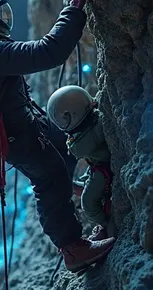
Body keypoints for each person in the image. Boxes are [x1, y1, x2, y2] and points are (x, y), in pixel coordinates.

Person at [0, 0, 116, 272]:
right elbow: (50, 51)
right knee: (48, 177)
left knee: (60, 144)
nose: (4, 19)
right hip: (17, 135)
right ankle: (73, 249)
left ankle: (72, 186)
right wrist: (75, 5)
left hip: (12, 132)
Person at [47, 85, 115, 241]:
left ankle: (106, 223)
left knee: (88, 202)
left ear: (71, 115)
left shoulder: (82, 141)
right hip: (96, 165)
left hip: (102, 169)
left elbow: (76, 150)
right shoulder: (96, 118)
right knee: (82, 181)